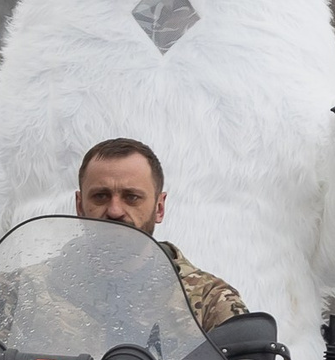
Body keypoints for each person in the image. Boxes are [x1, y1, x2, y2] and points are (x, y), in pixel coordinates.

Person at [72, 138, 247, 330]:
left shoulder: (211, 302)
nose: (115, 211)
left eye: (132, 197)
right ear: (80, 206)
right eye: (100, 196)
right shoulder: (46, 291)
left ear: (159, 208)